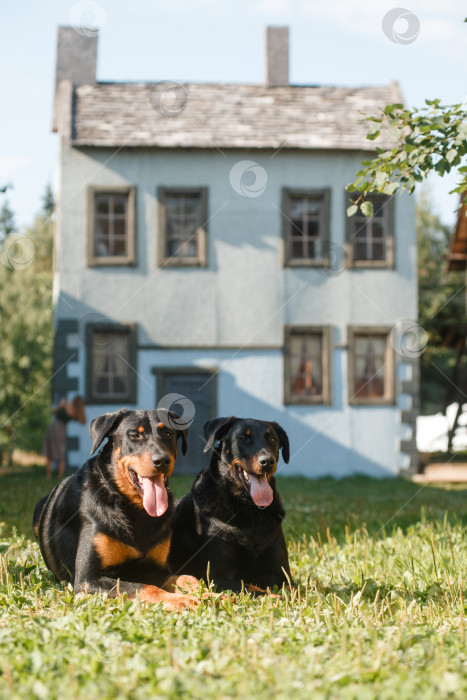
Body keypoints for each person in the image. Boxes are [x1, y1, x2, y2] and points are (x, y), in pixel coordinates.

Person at [42, 396, 86, 479]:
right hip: (62, 430)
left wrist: (60, 405)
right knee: (61, 455)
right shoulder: (76, 412)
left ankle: (48, 476)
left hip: (54, 427)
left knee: (50, 454)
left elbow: (52, 412)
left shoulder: (66, 404)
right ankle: (60, 476)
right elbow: (83, 421)